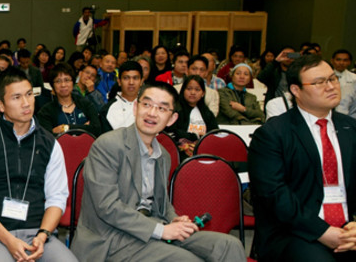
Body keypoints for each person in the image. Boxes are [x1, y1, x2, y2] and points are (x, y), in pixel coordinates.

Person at [72, 81, 246, 262]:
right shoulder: (108, 145)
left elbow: (162, 204)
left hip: (152, 228)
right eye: (146, 104)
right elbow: (107, 207)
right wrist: (162, 230)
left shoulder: (163, 155)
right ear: (135, 108)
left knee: (229, 246)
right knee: (186, 260)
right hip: (112, 237)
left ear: (171, 119)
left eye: (162, 109)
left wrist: (175, 220)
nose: (152, 113)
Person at [248, 55, 356, 261]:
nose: (331, 86)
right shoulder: (273, 134)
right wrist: (323, 231)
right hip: (295, 233)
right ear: (296, 90)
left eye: (333, 79)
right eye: (319, 82)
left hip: (351, 230)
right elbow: (274, 194)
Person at [0, 67, 78, 262]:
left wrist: (42, 235)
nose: (26, 103)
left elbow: (57, 197)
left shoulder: (50, 143)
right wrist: (9, 240)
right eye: (16, 97)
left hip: (38, 234)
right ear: (0, 104)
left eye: (29, 94)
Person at [38, 63, 106, 137]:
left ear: (73, 82)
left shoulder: (86, 104)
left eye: (67, 80)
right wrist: (84, 128)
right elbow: (47, 138)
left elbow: (97, 130)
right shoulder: (46, 112)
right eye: (58, 81)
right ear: (52, 85)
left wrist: (66, 128)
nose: (63, 85)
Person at [166, 75, 219, 158]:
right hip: (180, 152)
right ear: (183, 90)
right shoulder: (175, 110)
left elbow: (215, 133)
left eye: (197, 89)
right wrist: (196, 136)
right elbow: (173, 132)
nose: (193, 92)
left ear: (203, 93)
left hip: (204, 151)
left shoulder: (207, 113)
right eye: (189, 89)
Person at [99, 61, 144, 131]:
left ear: (141, 81)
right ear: (119, 81)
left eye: (135, 78)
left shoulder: (150, 106)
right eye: (126, 78)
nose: (131, 82)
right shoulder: (107, 110)